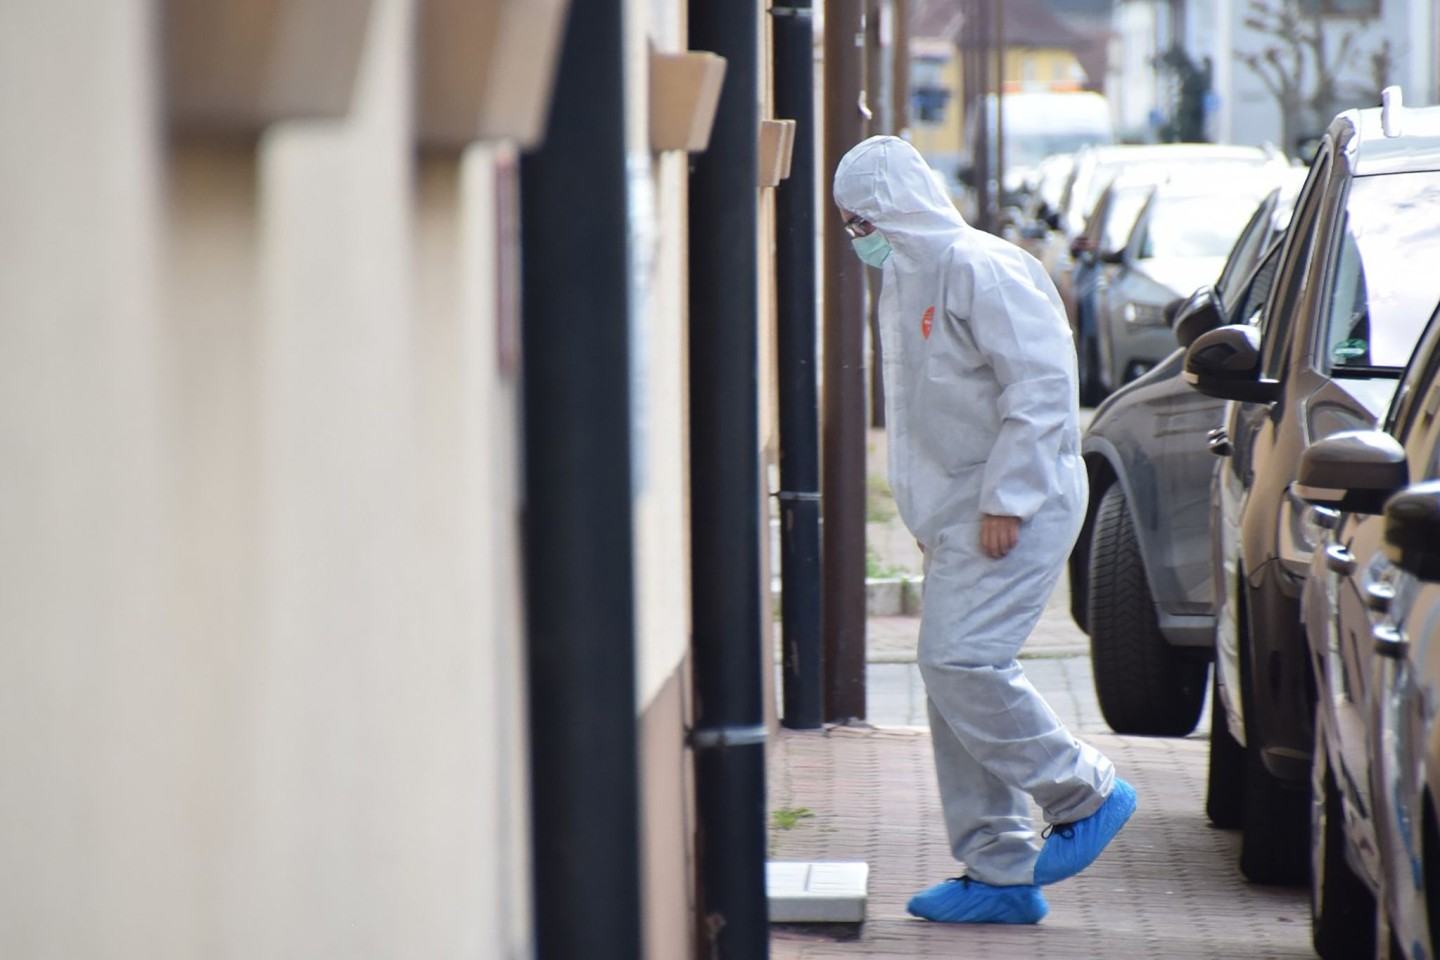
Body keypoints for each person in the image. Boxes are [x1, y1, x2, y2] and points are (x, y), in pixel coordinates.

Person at [833, 135, 1135, 925]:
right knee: (951, 682)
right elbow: (923, 416)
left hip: (1015, 504)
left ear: (894, 206)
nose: (855, 234)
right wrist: (936, 515)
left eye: (860, 217)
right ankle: (999, 871)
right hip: (964, 512)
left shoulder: (978, 266)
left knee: (959, 658)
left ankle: (1084, 790)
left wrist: (1008, 498)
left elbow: (1039, 387)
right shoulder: (907, 277)